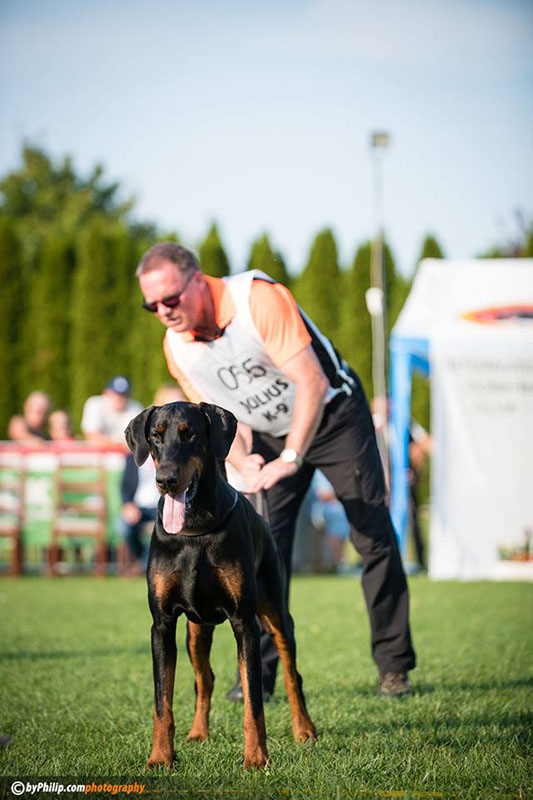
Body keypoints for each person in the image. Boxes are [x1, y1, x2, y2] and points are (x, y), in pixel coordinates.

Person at [136, 242, 416, 698]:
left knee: (372, 534)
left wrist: (291, 457)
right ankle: (257, 678)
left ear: (198, 280)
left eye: (170, 298)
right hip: (267, 432)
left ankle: (394, 666)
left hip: (334, 416)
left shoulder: (257, 299)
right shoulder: (178, 348)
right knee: (262, 547)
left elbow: (312, 381)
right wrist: (243, 460)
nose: (163, 311)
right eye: (152, 305)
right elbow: (219, 420)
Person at [119, 384, 186, 574]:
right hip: (140, 505)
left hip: (169, 501)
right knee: (123, 526)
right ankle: (143, 561)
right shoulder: (140, 445)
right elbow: (125, 484)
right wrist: (127, 504)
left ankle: (147, 566)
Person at [81, 376, 143, 446]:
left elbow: (138, 440)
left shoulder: (135, 408)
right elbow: (92, 437)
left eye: (123, 395)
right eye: (115, 394)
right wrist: (120, 444)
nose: (119, 398)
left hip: (124, 453)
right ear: (106, 393)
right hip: (98, 452)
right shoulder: (95, 404)